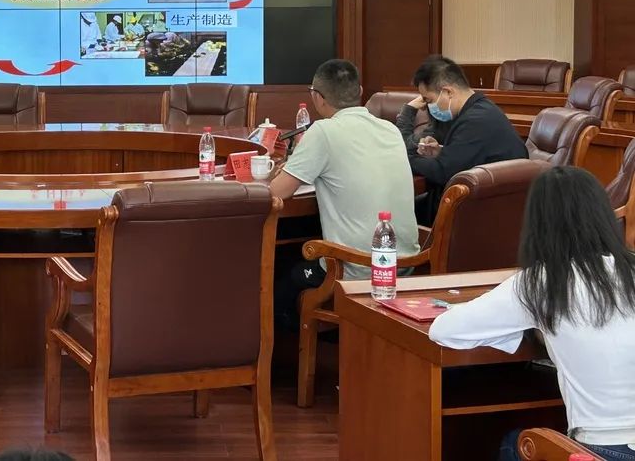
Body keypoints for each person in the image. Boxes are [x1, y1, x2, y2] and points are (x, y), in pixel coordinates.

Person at [430, 167, 635, 461]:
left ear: (538, 224)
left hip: (604, 450)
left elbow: (443, 330)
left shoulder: (542, 282)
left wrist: (523, 329)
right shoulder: (630, 269)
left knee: (513, 443)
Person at [268, 59, 419, 328]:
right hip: (406, 262)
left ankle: (297, 350)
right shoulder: (390, 129)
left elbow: (278, 193)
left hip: (358, 268)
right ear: (359, 91)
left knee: (281, 275)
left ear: (317, 97)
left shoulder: (323, 131)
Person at [407, 55, 528, 223]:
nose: (427, 107)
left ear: (448, 92)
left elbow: (442, 171)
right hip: (482, 202)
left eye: (429, 100)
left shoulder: (476, 120)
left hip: (487, 214)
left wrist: (405, 158)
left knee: (400, 214)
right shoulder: (479, 109)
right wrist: (441, 152)